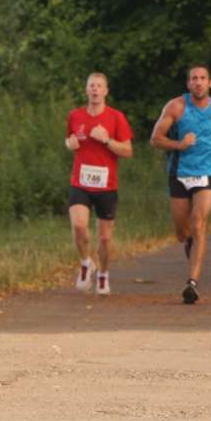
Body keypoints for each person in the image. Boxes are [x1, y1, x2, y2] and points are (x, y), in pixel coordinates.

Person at [150, 65, 211, 304]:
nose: (198, 82)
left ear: (210, 83)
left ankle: (192, 284)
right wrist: (180, 145)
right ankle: (190, 241)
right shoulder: (176, 107)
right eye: (194, 79)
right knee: (182, 232)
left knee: (199, 222)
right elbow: (155, 139)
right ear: (188, 84)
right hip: (179, 173)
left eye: (202, 78)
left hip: (208, 173)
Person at [65, 72, 134, 296]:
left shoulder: (116, 118)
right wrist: (70, 144)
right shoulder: (74, 116)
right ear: (86, 90)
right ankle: (86, 263)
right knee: (79, 227)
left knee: (105, 238)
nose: (95, 89)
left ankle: (103, 274)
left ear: (106, 91)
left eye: (99, 86)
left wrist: (107, 140)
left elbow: (128, 151)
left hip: (106, 185)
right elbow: (70, 140)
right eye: (91, 85)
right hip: (81, 181)